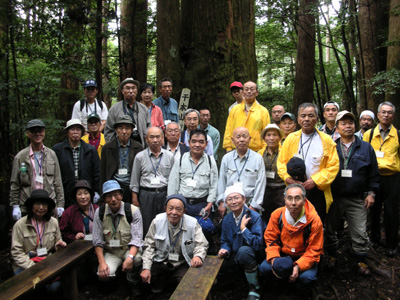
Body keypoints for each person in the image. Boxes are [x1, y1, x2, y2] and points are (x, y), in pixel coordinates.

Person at [325, 111, 379, 275]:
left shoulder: (366, 147)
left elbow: (373, 173)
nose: (348, 126)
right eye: (343, 123)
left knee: (360, 233)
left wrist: (371, 193)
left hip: (357, 198)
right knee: (329, 229)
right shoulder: (331, 146)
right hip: (334, 197)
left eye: (350, 123)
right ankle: (332, 257)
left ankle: (360, 261)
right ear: (337, 127)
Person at [277, 103, 339, 223]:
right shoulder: (290, 138)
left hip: (317, 190)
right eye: (303, 116)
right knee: (295, 224)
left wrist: (315, 181)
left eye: (311, 116)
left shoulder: (326, 140)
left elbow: (333, 166)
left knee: (316, 224)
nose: (306, 119)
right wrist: (288, 178)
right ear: (298, 119)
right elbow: (281, 162)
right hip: (294, 189)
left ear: (317, 119)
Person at [140, 194, 208, 294]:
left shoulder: (192, 223)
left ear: (184, 211)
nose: (174, 213)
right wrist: (146, 268)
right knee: (143, 276)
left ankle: (170, 281)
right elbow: (149, 245)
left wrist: (198, 256)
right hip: (161, 261)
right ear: (165, 209)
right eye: (170, 208)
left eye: (178, 209)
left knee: (189, 284)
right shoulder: (157, 221)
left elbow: (201, 243)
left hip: (182, 262)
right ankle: (162, 280)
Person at [259, 184, 323, 288]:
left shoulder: (314, 221)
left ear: (304, 200)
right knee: (264, 268)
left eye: (297, 198)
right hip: (283, 255)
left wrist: (298, 267)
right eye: (289, 198)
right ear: (284, 200)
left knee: (307, 278)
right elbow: (270, 239)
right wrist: (274, 259)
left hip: (303, 256)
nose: (293, 203)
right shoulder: (277, 215)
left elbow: (314, 250)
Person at [92, 180, 143, 296]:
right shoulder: (99, 212)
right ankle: (115, 283)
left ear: (121, 195)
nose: (113, 199)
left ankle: (132, 280)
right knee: (105, 274)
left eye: (116, 195)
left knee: (137, 260)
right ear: (104, 199)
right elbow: (97, 240)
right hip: (111, 251)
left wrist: (130, 258)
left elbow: (137, 238)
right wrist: (102, 263)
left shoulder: (133, 211)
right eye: (109, 196)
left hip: (127, 249)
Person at [11, 189, 66, 294]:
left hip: (47, 262)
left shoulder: (53, 222)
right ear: (31, 206)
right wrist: (32, 266)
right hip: (26, 265)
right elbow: (16, 252)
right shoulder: (20, 225)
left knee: (55, 287)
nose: (41, 208)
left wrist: (59, 245)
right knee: (31, 288)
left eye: (44, 204)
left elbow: (57, 241)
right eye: (37, 204)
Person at [363, 101, 400, 257]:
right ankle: (375, 238)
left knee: (392, 211)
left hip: (393, 178)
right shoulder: (369, 134)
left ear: (393, 115)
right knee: (374, 209)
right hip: (374, 177)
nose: (386, 115)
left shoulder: (398, 134)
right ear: (378, 115)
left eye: (389, 112)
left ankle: (392, 243)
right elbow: (363, 155)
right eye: (383, 112)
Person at [10, 119, 64, 220]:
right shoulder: (20, 157)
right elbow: (15, 183)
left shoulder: (51, 155)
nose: (38, 134)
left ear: (44, 133)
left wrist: (60, 204)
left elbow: (58, 181)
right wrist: (15, 205)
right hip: (27, 205)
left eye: (40, 131)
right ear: (28, 134)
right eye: (34, 131)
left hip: (49, 204)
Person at [218, 186, 265, 300]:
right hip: (234, 255)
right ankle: (231, 283)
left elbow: (258, 244)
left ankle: (254, 287)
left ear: (244, 199)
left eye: (236, 198)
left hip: (253, 255)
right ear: (226, 203)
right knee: (217, 263)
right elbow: (225, 241)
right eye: (229, 199)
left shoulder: (255, 217)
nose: (233, 202)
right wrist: (225, 250)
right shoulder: (227, 219)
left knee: (243, 251)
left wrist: (244, 228)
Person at [168, 129, 218, 232]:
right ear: (189, 142)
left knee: (206, 228)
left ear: (206, 143)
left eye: (201, 142)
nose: (197, 145)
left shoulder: (210, 161)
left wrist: (210, 203)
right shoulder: (181, 160)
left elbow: (214, 184)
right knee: (181, 229)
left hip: (201, 204)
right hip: (182, 203)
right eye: (194, 141)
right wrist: (172, 203)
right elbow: (173, 183)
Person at [130, 127, 174, 235]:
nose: (155, 140)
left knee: (164, 224)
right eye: (152, 137)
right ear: (146, 139)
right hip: (146, 195)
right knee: (147, 224)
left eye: (158, 137)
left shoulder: (170, 156)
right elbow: (134, 180)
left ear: (163, 138)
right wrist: (135, 199)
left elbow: (174, 179)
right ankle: (147, 248)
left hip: (164, 194)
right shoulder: (140, 157)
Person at [217, 127, 266, 218]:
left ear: (249, 139)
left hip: (250, 203)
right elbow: (222, 181)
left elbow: (261, 183)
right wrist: (222, 202)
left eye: (244, 136)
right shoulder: (226, 158)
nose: (241, 140)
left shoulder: (257, 158)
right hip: (230, 204)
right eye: (238, 137)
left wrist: (254, 206)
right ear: (232, 140)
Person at [53, 119, 100, 208]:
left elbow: (97, 172)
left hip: (86, 193)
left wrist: (96, 191)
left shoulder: (90, 150)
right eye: (72, 129)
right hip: (66, 193)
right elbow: (55, 174)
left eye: (78, 130)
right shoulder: (58, 150)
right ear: (67, 132)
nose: (75, 132)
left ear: (82, 132)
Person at [59, 180, 99, 282]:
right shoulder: (69, 212)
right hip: (77, 252)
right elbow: (63, 232)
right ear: (75, 196)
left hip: (96, 248)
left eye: (86, 193)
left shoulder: (98, 210)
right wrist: (74, 237)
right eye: (79, 194)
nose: (83, 197)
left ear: (90, 195)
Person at [101, 115, 143, 203]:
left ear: (132, 130)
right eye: (120, 128)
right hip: (113, 186)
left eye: (127, 128)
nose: (124, 132)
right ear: (116, 130)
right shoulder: (107, 148)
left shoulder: (138, 147)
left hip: (130, 186)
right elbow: (103, 172)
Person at [223, 81, 271, 152]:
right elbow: (228, 129)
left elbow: (266, 132)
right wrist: (228, 147)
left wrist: (264, 151)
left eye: (252, 89)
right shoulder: (234, 109)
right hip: (235, 149)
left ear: (256, 92)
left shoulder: (263, 111)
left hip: (256, 150)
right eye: (246, 89)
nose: (249, 91)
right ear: (242, 92)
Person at [105, 77, 150, 146]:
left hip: (140, 146)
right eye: (128, 88)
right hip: (120, 146)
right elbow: (109, 131)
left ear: (137, 91)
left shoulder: (143, 109)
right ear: (122, 91)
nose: (131, 91)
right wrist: (111, 148)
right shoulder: (114, 109)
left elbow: (149, 129)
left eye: (133, 88)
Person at [258, 124, 286, 223]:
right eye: (268, 135)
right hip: (265, 191)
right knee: (266, 217)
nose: (271, 138)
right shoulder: (259, 154)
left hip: (281, 190)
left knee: (281, 217)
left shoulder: (285, 152)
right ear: (264, 138)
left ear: (279, 137)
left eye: (274, 135)